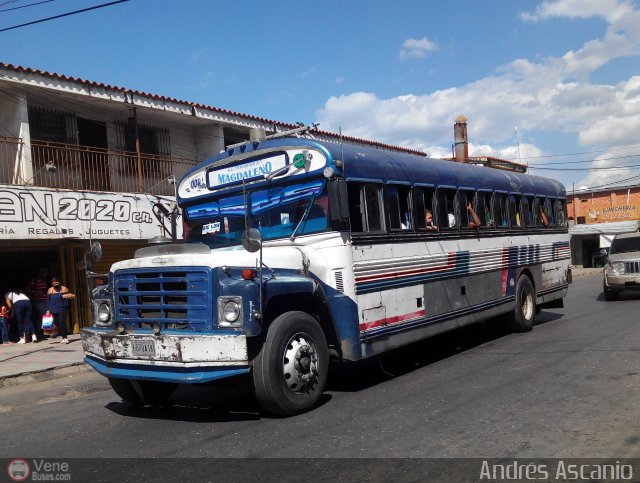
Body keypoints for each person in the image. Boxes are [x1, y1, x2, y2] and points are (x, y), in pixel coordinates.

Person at [47, 277, 75, 344]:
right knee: (56, 322)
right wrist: (47, 309)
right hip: (53, 309)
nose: (55, 283)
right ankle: (58, 333)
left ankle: (64, 338)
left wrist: (69, 296)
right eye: (53, 282)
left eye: (56, 282)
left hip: (62, 308)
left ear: (59, 282)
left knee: (62, 322)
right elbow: (48, 301)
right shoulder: (50, 290)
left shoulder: (64, 288)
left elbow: (70, 296)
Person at [27, 267, 49, 340]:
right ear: (40, 273)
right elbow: (28, 289)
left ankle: (43, 332)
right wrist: (37, 292)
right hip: (37, 300)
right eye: (43, 272)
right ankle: (37, 333)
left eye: (46, 272)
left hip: (44, 300)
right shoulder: (35, 280)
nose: (45, 274)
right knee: (40, 317)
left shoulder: (44, 281)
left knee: (45, 316)